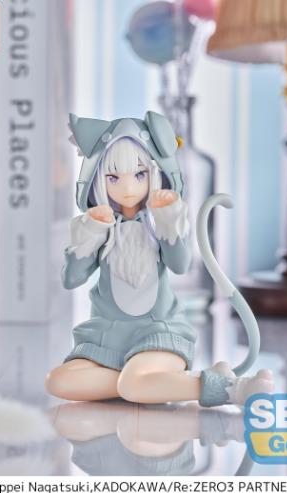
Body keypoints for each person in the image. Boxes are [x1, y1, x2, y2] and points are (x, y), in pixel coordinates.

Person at [45, 112, 274, 406]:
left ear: (155, 173)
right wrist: (91, 232)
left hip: (157, 333)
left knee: (132, 383)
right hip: (105, 339)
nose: (128, 188)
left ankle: (230, 388)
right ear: (97, 180)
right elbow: (71, 278)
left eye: (139, 175)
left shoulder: (159, 224)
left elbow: (180, 265)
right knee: (59, 381)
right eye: (113, 178)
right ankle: (161, 384)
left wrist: (168, 219)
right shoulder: (99, 226)